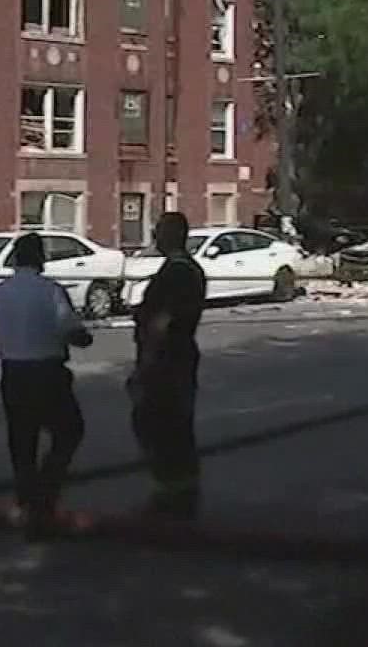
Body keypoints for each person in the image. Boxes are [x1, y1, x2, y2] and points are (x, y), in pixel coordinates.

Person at [0, 232, 93, 536]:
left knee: (22, 442)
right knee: (68, 432)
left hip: (14, 374)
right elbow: (72, 330)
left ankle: (27, 503)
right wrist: (84, 336)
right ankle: (44, 494)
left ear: (15, 260)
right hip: (48, 372)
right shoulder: (51, 291)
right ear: (40, 258)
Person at [131, 210, 208, 520]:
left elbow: (164, 319)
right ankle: (182, 494)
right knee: (174, 427)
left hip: (166, 361)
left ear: (173, 235)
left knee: (159, 427)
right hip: (179, 357)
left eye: (159, 231)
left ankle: (171, 497)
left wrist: (146, 364)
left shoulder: (176, 272)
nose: (154, 237)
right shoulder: (189, 269)